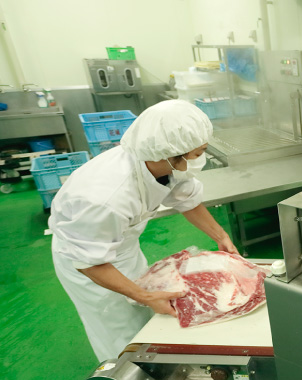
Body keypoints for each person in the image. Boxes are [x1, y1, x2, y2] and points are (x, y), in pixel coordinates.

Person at [49, 100, 238, 361]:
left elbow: (186, 199)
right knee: (120, 328)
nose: (201, 159)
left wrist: (221, 237)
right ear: (171, 154)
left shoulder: (163, 164)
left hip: (122, 245)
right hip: (87, 260)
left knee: (146, 315)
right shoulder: (104, 198)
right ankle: (123, 374)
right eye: (198, 153)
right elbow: (89, 262)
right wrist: (145, 296)